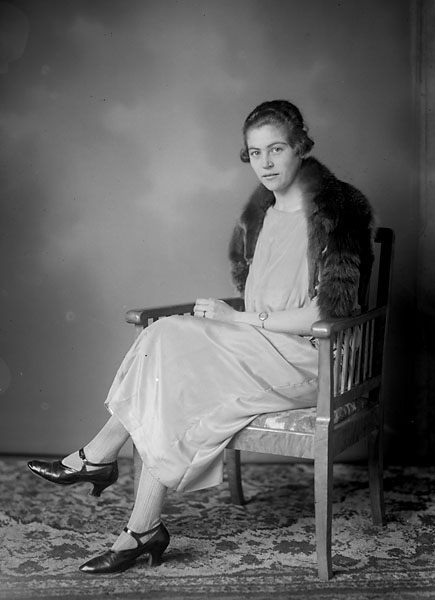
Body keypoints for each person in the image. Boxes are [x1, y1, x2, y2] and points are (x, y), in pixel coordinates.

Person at [27, 100, 375, 574]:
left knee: (169, 342)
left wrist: (239, 321)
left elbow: (325, 311)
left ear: (300, 146)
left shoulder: (336, 212)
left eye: (276, 149)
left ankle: (101, 461)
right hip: (258, 351)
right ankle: (139, 527)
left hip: (312, 360)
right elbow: (258, 302)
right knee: (167, 354)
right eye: (255, 153)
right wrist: (240, 321)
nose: (266, 163)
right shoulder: (261, 216)